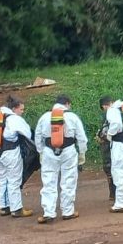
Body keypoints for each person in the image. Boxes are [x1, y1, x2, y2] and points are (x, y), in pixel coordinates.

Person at [32, 94, 88, 224]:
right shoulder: (72, 117)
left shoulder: (44, 117)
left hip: (49, 151)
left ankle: (48, 212)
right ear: (67, 104)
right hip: (68, 151)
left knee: (48, 182)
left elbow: (38, 137)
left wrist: (41, 151)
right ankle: (68, 211)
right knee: (68, 180)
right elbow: (82, 138)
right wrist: (82, 154)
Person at [0, 95, 33, 218]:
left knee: (1, 179)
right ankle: (16, 209)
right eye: (21, 109)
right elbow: (27, 133)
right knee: (14, 180)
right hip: (11, 153)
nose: (22, 112)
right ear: (14, 108)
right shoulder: (14, 119)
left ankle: (4, 207)